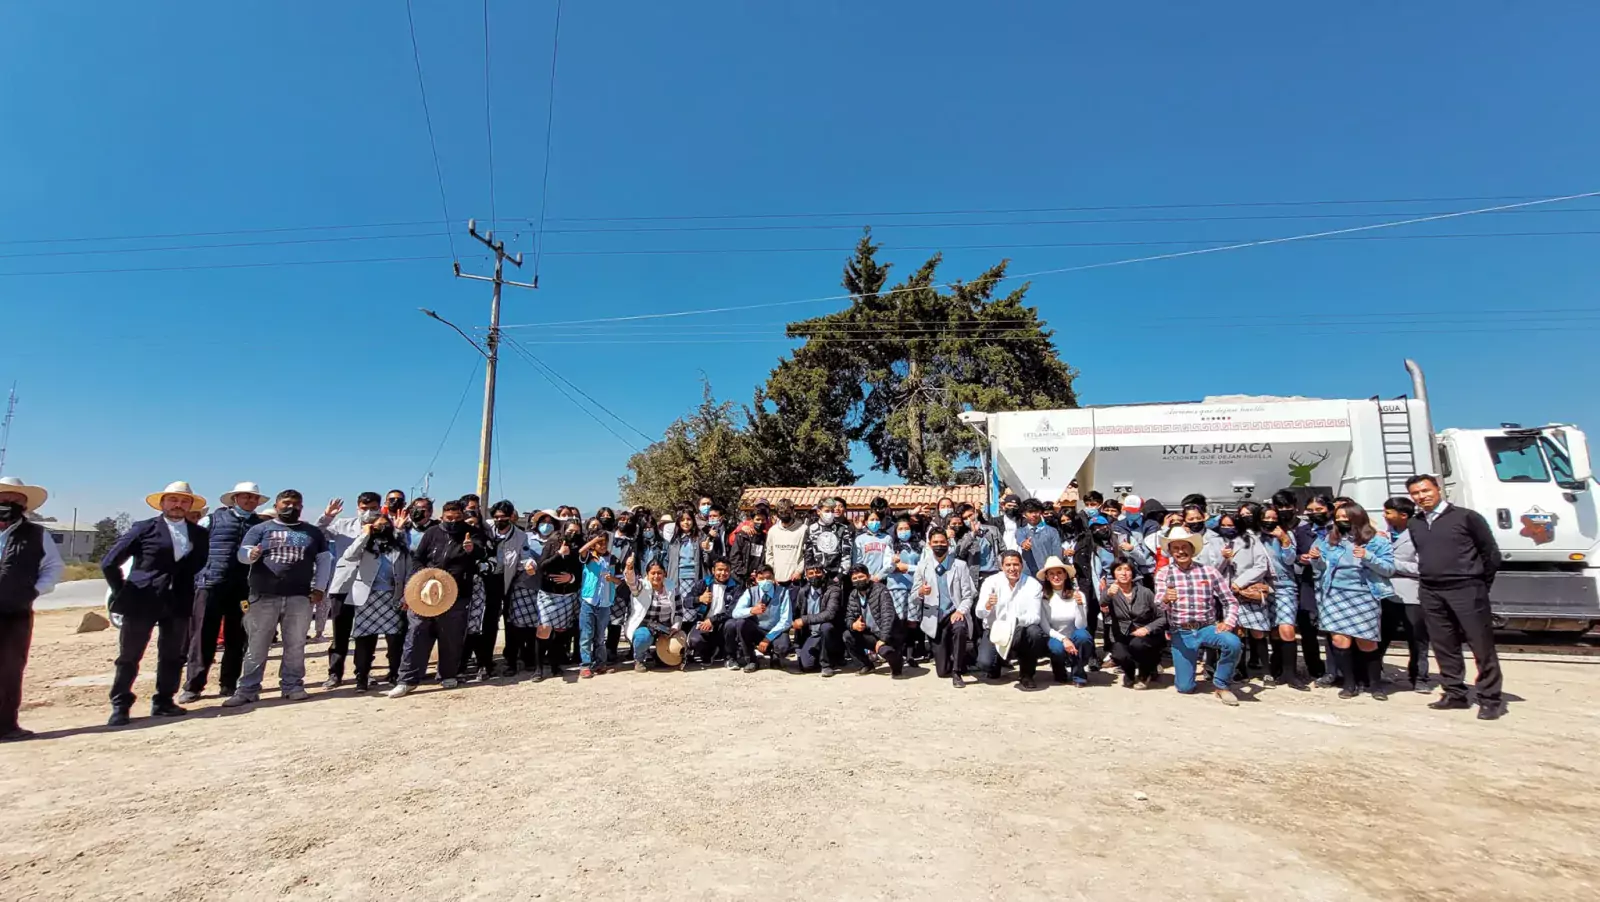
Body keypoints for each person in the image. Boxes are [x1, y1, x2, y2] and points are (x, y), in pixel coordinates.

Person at [101, 481, 209, 726]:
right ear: (162, 503)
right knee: (130, 654)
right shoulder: (144, 529)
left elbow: (198, 564)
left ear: (190, 505)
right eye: (173, 500)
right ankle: (120, 704)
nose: (178, 505)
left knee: (172, 654)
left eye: (184, 501)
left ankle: (164, 700)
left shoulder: (199, 535)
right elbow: (109, 562)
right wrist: (122, 592)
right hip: (141, 598)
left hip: (179, 601)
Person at [1405, 475, 1505, 720]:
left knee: (1480, 644)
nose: (1422, 496)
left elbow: (1490, 553)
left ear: (1438, 489)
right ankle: (1454, 693)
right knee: (1443, 643)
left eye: (1426, 490)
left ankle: (1490, 698)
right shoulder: (1415, 522)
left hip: (1467, 588)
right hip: (1430, 590)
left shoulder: (1466, 517)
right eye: (1416, 493)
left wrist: (1479, 584)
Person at [225, 490, 333, 708]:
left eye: (296, 503)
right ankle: (247, 689)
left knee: (295, 645)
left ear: (302, 507)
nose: (291, 507)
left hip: (299, 597)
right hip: (263, 596)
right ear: (276, 505)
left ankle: (292, 686)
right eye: (286, 503)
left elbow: (324, 561)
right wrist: (250, 555)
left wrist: (319, 588)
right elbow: (242, 553)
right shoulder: (260, 529)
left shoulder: (312, 532)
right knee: (257, 646)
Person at [180, 480, 265, 704]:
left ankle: (229, 683)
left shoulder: (260, 525)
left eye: (254, 497)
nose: (250, 500)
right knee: (203, 636)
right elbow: (193, 546)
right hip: (211, 584)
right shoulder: (213, 519)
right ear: (235, 498)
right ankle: (194, 685)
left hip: (243, 588)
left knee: (237, 637)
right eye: (245, 496)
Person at [389, 500, 481, 697]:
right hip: (425, 592)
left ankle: (448, 674)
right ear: (442, 517)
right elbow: (417, 558)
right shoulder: (432, 533)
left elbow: (482, 554)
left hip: (456, 593)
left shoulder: (471, 533)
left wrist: (471, 549)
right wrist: (425, 575)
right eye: (449, 518)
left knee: (451, 635)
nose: (453, 521)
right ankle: (407, 679)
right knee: (416, 633)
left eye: (457, 518)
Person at [0, 477, 64, 741]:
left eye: (16, 501)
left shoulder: (38, 534)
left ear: (25, 506)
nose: (9, 504)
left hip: (15, 612)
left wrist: (35, 590)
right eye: (5, 499)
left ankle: (6, 725)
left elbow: (53, 567)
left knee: (10, 669)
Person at [1311, 503, 1396, 700]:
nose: (1341, 521)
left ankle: (1374, 684)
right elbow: (1322, 569)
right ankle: (1349, 683)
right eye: (1338, 517)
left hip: (1364, 594)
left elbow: (1389, 569)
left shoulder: (1376, 541)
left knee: (1366, 641)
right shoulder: (1330, 540)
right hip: (1334, 594)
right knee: (1339, 640)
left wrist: (1368, 556)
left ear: (1357, 518)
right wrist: (1316, 559)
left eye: (1345, 517)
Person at [1154, 526, 1243, 706]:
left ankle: (1221, 685)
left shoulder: (1209, 572)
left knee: (1233, 642)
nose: (1180, 551)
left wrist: (1228, 622)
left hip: (1206, 627)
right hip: (1181, 631)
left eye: (1184, 547)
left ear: (1192, 549)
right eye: (1175, 548)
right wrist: (1166, 599)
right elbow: (1158, 603)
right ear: (1170, 551)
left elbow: (1230, 601)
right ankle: (1188, 677)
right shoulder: (1164, 573)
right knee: (1185, 688)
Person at [337, 510, 412, 691]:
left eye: (385, 524)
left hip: (392, 597)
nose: (382, 528)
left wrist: (406, 595)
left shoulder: (399, 547)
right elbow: (349, 555)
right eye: (378, 525)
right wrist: (365, 534)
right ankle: (361, 677)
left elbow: (409, 571)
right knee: (364, 640)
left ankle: (394, 674)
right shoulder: (364, 546)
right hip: (367, 598)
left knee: (395, 639)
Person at [315, 491, 381, 689]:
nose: (368, 512)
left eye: (373, 508)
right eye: (364, 508)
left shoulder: (384, 526)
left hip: (371, 587)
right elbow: (318, 532)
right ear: (357, 507)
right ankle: (335, 674)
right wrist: (328, 515)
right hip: (343, 585)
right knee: (340, 632)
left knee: (367, 633)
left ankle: (363, 672)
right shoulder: (343, 525)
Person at [911, 527, 977, 687]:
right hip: (934, 617)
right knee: (941, 671)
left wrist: (960, 610)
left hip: (954, 612)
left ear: (948, 543)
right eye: (935, 542)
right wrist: (920, 592)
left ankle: (957, 672)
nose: (939, 545)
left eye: (942, 542)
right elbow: (913, 597)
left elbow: (968, 595)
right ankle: (959, 658)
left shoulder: (960, 565)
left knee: (960, 629)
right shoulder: (922, 566)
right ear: (929, 544)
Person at [1379, 496, 1431, 692]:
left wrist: (1391, 564)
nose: (1385, 516)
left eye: (1388, 513)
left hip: (1411, 594)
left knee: (1417, 637)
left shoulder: (1417, 535)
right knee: (1382, 635)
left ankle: (1419, 677)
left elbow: (1421, 567)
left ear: (1403, 515)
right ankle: (1376, 670)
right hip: (1386, 592)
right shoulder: (1384, 535)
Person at [974, 551, 1046, 689]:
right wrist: (988, 605)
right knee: (985, 664)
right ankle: (998, 662)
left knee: (1034, 633)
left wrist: (1014, 622)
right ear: (1002, 566)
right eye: (1008, 565)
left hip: (1020, 629)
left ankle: (1027, 674)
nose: (1012, 568)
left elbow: (1035, 617)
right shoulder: (991, 582)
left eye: (1015, 564)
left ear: (1022, 565)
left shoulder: (1032, 585)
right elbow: (979, 613)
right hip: (995, 631)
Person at [1219, 508, 1273, 681]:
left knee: (1257, 631)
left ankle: (1266, 671)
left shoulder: (1251, 540)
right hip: (1228, 593)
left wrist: (1239, 583)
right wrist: (1224, 559)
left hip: (1248, 589)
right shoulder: (1217, 542)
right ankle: (1239, 669)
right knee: (1236, 632)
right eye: (1224, 525)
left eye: (1231, 525)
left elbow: (1261, 565)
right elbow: (1213, 569)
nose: (1228, 528)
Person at [474, 501, 526, 679]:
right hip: (488, 581)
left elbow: (524, 556)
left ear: (511, 516)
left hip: (510, 580)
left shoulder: (520, 536)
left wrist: (529, 564)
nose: (499, 520)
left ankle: (511, 660)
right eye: (496, 517)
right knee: (488, 623)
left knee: (511, 622)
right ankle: (485, 662)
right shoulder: (486, 529)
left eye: (503, 517)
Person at [1256, 505, 1306, 689]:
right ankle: (1277, 667)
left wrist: (1284, 540)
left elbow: (1290, 560)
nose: (1269, 521)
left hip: (1285, 586)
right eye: (1265, 518)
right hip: (1262, 587)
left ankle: (1291, 673)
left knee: (1287, 629)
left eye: (1273, 517)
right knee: (1273, 631)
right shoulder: (1252, 537)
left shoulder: (1286, 534)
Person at [529, 518, 583, 682]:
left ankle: (555, 665)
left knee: (561, 631)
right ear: (564, 529)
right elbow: (542, 566)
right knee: (544, 629)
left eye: (576, 531)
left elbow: (582, 571)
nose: (572, 534)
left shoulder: (580, 547)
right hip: (549, 593)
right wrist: (559, 554)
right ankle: (538, 668)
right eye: (570, 530)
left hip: (568, 595)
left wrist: (571, 578)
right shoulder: (552, 543)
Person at [1101, 559, 1164, 688]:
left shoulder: (1145, 592)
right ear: (1113, 574)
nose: (1123, 573)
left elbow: (1162, 617)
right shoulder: (1111, 590)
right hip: (1121, 634)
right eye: (1119, 570)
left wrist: (1147, 628)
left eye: (1127, 570)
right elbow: (1102, 603)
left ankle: (1144, 673)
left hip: (1144, 634)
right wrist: (1108, 594)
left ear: (1133, 573)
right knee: (1119, 654)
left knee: (1138, 645)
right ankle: (1129, 672)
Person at [1038, 556, 1094, 687]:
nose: (1056, 577)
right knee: (1056, 648)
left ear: (1065, 575)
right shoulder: (1043, 598)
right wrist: (1064, 639)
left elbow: (1082, 625)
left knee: (1083, 636)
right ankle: (1059, 668)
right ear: (1046, 577)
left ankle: (1079, 673)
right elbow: (1046, 627)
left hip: (1074, 635)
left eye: (1059, 573)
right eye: (1051, 574)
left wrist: (1080, 606)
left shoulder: (1077, 595)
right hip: (1055, 637)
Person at [577, 527, 623, 679]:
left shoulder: (613, 559)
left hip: (604, 603)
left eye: (605, 543)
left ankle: (600, 663)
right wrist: (593, 541)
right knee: (586, 634)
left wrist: (612, 579)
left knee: (599, 636)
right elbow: (580, 551)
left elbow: (620, 580)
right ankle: (585, 665)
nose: (603, 546)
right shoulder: (589, 557)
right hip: (589, 601)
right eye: (599, 543)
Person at [730, 563, 793, 672]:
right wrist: (751, 610)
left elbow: (786, 621)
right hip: (757, 629)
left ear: (773, 578)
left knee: (783, 646)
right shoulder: (750, 592)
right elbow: (735, 613)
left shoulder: (783, 592)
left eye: (768, 578)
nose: (765, 581)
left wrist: (768, 638)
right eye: (761, 578)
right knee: (741, 623)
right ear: (756, 579)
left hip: (775, 630)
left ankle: (775, 656)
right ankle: (751, 660)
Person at [843, 564, 904, 676]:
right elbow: (848, 617)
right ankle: (865, 665)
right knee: (848, 635)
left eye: (861, 577)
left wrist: (883, 639)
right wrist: (853, 625)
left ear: (868, 576)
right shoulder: (853, 595)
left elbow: (888, 615)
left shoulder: (881, 590)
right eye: (855, 578)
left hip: (889, 635)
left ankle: (897, 663)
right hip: (870, 634)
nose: (858, 580)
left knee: (886, 651)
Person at [624, 559, 685, 671]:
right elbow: (631, 581)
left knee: (675, 648)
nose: (656, 576)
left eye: (659, 573)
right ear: (647, 574)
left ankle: (658, 656)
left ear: (664, 574)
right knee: (643, 637)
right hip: (645, 626)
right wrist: (629, 567)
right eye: (653, 573)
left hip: (666, 628)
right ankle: (639, 659)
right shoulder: (641, 586)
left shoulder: (672, 587)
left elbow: (679, 611)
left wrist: (675, 627)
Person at [686, 557, 743, 667]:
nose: (723, 573)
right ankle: (708, 652)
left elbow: (733, 611)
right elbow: (686, 602)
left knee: (732, 624)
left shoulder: (736, 587)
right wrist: (699, 599)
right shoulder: (703, 583)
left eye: (726, 570)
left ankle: (730, 657)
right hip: (704, 623)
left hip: (723, 623)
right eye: (720, 570)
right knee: (694, 640)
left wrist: (713, 620)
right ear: (713, 570)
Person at [789, 563, 844, 676]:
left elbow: (829, 614)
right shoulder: (803, 592)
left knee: (826, 627)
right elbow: (798, 614)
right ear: (806, 576)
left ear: (824, 574)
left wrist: (805, 620)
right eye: (811, 573)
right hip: (812, 634)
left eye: (818, 572)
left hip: (830, 633)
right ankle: (821, 655)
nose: (815, 576)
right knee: (807, 666)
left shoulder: (833, 590)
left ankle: (826, 664)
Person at [804, 496, 855, 584]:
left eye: (832, 511)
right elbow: (807, 555)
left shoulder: (843, 529)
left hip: (836, 578)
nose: (830, 514)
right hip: (816, 577)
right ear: (819, 511)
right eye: (827, 511)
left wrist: (839, 576)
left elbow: (847, 554)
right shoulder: (810, 530)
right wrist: (811, 575)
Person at [765, 499, 808, 588]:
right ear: (777, 514)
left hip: (795, 580)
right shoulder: (773, 531)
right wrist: (771, 573)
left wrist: (799, 571)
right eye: (781, 512)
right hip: (776, 581)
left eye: (787, 512)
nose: (784, 514)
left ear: (793, 511)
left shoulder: (803, 529)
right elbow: (769, 554)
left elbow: (807, 554)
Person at [1015, 499, 1063, 579]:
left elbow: (1057, 554)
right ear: (1024, 514)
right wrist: (1024, 543)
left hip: (1048, 574)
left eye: (1036, 512)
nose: (1034, 515)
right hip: (1028, 575)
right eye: (1030, 512)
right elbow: (1020, 540)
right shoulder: (1021, 531)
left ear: (1040, 512)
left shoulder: (1052, 531)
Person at [665, 510, 703, 599]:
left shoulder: (700, 537)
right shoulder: (674, 540)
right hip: (677, 578)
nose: (686, 522)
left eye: (689, 519)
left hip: (695, 577)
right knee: (678, 608)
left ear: (693, 520)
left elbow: (706, 559)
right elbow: (668, 561)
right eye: (682, 520)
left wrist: (707, 548)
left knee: (691, 606)